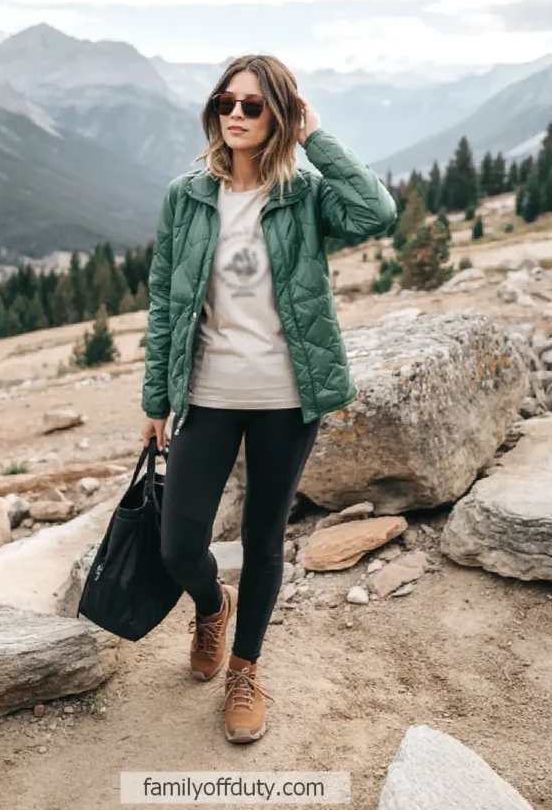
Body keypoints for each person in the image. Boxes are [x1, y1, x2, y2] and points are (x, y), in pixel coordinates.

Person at [140, 53, 397, 744]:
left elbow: (377, 212)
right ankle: (209, 605)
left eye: (253, 106)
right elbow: (165, 300)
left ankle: (245, 671)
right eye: (226, 102)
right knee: (179, 544)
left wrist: (317, 137)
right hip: (207, 395)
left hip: (287, 396)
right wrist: (154, 399)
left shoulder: (305, 195)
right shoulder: (186, 195)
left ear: (279, 114)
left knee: (262, 536)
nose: (235, 115)